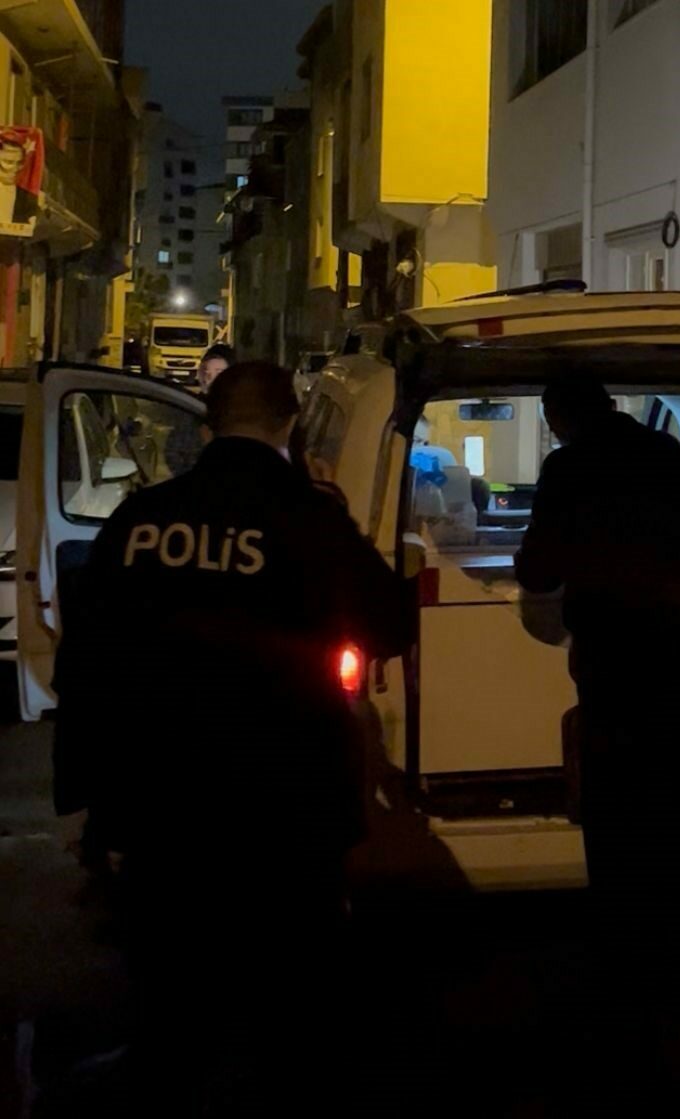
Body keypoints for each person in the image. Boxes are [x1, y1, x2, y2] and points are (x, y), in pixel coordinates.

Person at [52, 361, 412, 1112]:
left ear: (210, 423)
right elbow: (388, 622)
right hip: (287, 808)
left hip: (163, 806)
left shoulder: (142, 517)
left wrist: (91, 799)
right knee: (292, 1016)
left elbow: (85, 663)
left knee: (173, 1007)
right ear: (289, 424)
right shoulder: (308, 517)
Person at [514, 378, 680, 1020]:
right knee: (672, 818)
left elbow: (539, 568)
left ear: (558, 417)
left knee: (614, 819)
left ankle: (623, 966)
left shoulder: (568, 467)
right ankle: (678, 971)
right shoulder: (671, 458)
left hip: (615, 664)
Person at [162, 343, 236, 475]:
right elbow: (173, 451)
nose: (209, 378)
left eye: (218, 372)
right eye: (206, 372)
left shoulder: (239, 412)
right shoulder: (191, 407)